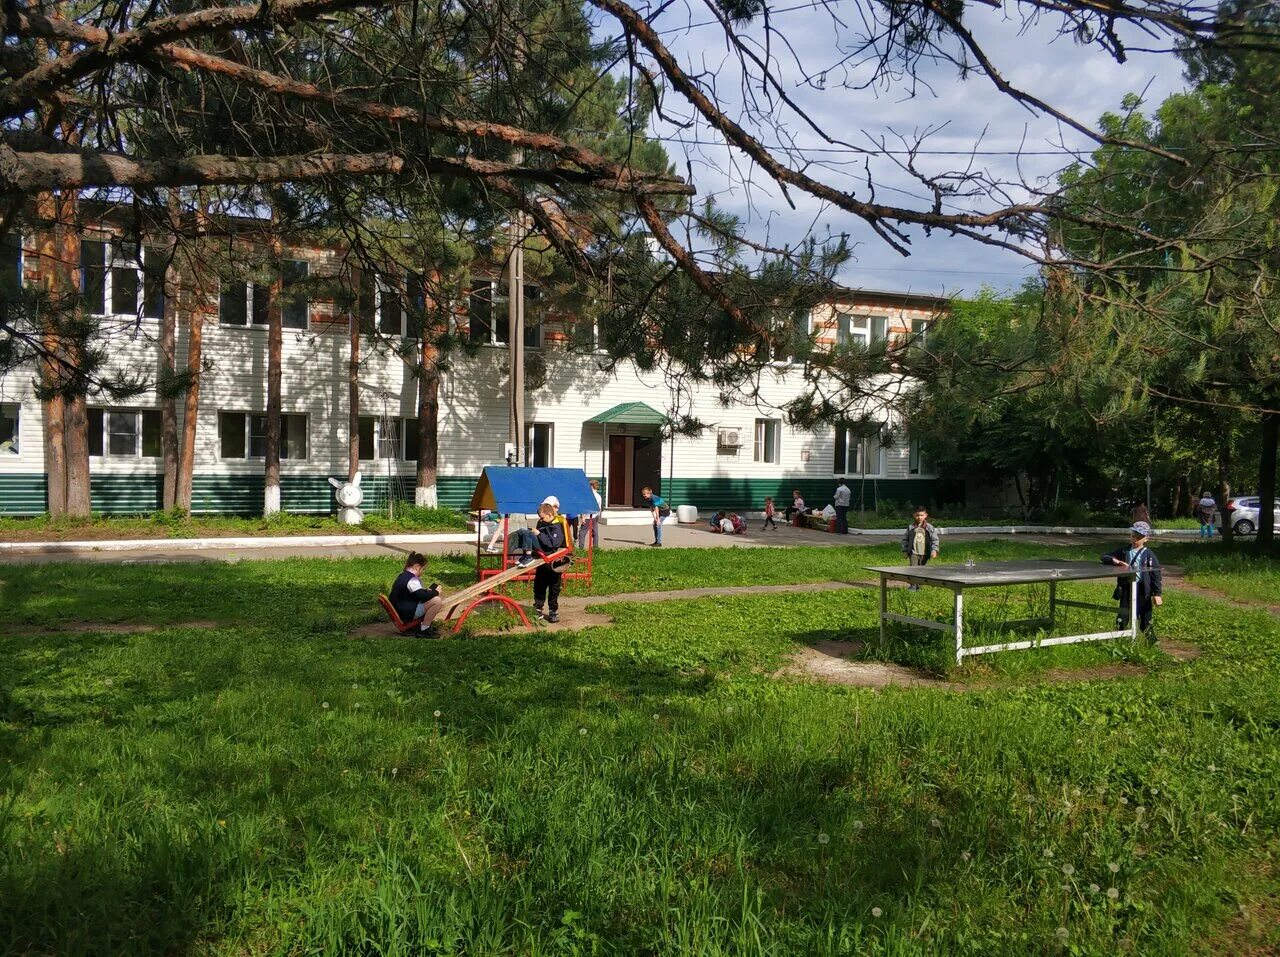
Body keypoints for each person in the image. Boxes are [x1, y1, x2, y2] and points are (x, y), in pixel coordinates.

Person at [1101, 521, 1164, 638]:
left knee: (1145, 619)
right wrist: (1115, 561)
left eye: (1139, 537)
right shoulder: (1124, 550)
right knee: (1122, 617)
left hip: (1142, 590)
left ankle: (1152, 643)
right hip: (1126, 588)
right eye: (1133, 536)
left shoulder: (1149, 554)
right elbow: (1104, 556)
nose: (1135, 539)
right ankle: (1119, 640)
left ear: (1146, 539)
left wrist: (1157, 594)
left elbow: (1156, 574)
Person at [388, 552, 443, 636]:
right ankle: (425, 629)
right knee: (436, 601)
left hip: (401, 609)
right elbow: (422, 597)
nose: (423, 572)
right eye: (423, 569)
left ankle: (423, 627)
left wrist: (425, 591)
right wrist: (436, 592)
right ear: (417, 567)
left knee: (432, 598)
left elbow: (414, 593)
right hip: (408, 613)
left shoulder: (402, 576)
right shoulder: (412, 580)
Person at [532, 502, 567, 623]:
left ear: (550, 514)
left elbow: (552, 544)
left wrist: (539, 534)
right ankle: (538, 608)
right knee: (539, 585)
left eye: (542, 517)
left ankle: (553, 610)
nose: (540, 520)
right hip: (542, 561)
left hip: (554, 562)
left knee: (554, 587)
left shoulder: (558, 526)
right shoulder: (541, 523)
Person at [901, 507, 939, 591]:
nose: (919, 517)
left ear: (925, 516)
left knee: (921, 569)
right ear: (914, 516)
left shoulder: (929, 527)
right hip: (913, 552)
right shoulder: (911, 527)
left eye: (921, 515)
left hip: (925, 552)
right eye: (917, 515)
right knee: (913, 568)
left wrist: (934, 550)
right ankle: (913, 586)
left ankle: (919, 586)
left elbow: (934, 539)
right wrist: (905, 550)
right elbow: (905, 539)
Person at [577, 479, 603, 549]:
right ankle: (596, 548)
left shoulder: (589, 496)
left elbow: (586, 507)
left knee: (582, 532)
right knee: (595, 532)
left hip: (588, 516)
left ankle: (581, 548)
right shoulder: (598, 496)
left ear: (591, 486)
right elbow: (599, 507)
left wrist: (583, 517)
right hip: (596, 515)